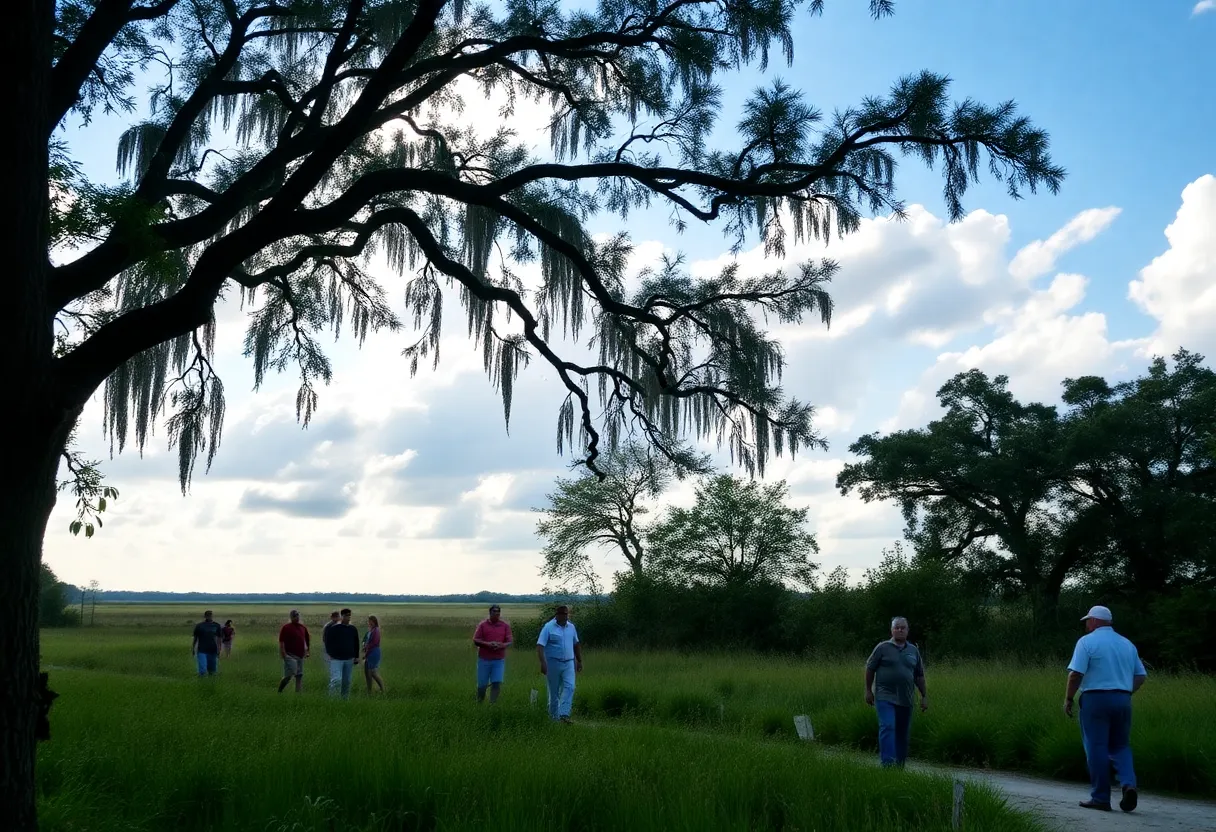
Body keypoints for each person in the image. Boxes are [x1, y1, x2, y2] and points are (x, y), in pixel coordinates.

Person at [1065, 605, 1147, 813]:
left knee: (1097, 747)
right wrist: (1126, 692)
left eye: (1087, 620)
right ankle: (1128, 784)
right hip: (1122, 699)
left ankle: (1101, 797)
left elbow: (1075, 674)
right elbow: (1140, 676)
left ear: (1094, 621)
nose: (1086, 624)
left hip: (1095, 699)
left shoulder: (1086, 642)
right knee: (1121, 746)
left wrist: (1068, 699)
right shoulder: (1127, 644)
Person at [864, 616, 928, 767]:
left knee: (901, 732)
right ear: (891, 630)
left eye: (903, 628)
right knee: (887, 726)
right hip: (884, 696)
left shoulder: (913, 650)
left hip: (906, 698)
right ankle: (887, 763)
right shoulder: (882, 648)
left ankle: (899, 766)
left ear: (907, 630)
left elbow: (919, 675)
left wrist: (924, 696)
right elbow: (870, 668)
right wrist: (868, 690)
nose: (899, 630)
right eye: (896, 627)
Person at [536, 604, 581, 723]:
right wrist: (543, 662)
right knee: (554, 692)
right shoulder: (548, 627)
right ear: (557, 615)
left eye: (567, 614)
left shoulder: (571, 627)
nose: (566, 616)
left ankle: (564, 714)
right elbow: (540, 646)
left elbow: (576, 644)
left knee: (570, 687)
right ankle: (553, 719)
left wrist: (579, 660)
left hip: (569, 662)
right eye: (563, 614)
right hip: (553, 663)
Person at [473, 604, 513, 703]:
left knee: (496, 683)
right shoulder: (483, 625)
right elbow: (475, 640)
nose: (496, 614)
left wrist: (501, 645)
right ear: (490, 613)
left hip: (498, 660)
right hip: (484, 659)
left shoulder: (505, 626)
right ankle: (480, 702)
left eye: (498, 612)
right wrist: (488, 644)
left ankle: (493, 704)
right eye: (494, 612)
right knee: (482, 684)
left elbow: (509, 641)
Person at [324, 608, 360, 699]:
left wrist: (356, 656)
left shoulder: (353, 629)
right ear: (342, 616)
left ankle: (345, 700)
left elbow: (356, 643)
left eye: (349, 616)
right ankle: (333, 700)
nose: (348, 618)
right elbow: (328, 642)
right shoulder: (334, 629)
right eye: (346, 616)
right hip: (336, 659)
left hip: (349, 658)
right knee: (336, 680)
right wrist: (330, 654)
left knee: (347, 681)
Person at [277, 610, 311, 693]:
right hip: (290, 655)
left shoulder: (302, 627)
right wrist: (284, 654)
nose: (297, 618)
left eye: (297, 616)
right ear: (291, 617)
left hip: (300, 655)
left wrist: (307, 651)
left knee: (299, 675)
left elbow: (306, 640)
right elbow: (282, 641)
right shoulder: (286, 627)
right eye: (294, 616)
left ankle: (298, 696)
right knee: (289, 676)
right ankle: (279, 690)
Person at [191, 610, 223, 676]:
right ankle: (201, 683)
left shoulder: (216, 625)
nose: (209, 616)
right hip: (202, 650)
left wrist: (219, 649)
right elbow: (195, 638)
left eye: (210, 615)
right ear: (205, 616)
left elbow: (219, 639)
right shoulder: (199, 626)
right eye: (208, 615)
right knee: (202, 670)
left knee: (212, 671)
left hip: (213, 650)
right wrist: (193, 648)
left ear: (212, 616)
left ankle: (211, 684)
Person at [363, 615, 385, 694]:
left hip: (374, 652)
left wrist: (367, 648)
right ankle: (369, 691)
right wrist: (365, 646)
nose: (369, 623)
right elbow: (366, 641)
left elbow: (374, 643)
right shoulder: (371, 631)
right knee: (367, 672)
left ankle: (383, 689)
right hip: (369, 652)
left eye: (370, 621)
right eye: (368, 621)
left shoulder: (376, 630)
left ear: (374, 622)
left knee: (373, 672)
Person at [320, 610, 340, 677]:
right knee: (332, 668)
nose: (339, 618)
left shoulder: (335, 625)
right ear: (333, 617)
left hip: (334, 650)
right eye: (337, 617)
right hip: (330, 650)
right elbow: (325, 639)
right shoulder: (329, 626)